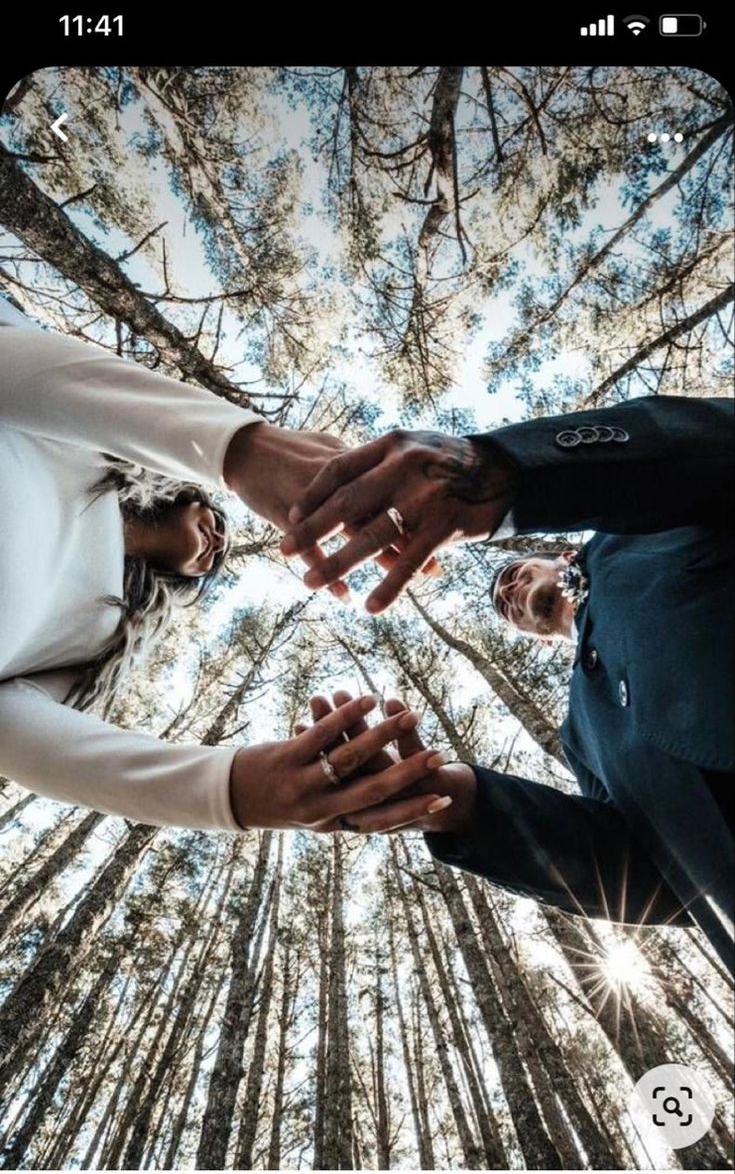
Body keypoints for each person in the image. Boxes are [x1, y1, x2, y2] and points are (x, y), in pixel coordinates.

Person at [283, 395, 735, 971]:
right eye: (504, 604)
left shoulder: (637, 530)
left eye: (517, 573)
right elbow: (649, 876)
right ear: (537, 637)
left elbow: (709, 445)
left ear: (560, 555)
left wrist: (505, 469)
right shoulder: (582, 731)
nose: (509, 592)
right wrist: (463, 809)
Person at [0, 299, 452, 835]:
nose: (217, 536)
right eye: (214, 516)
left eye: (216, 554)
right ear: (181, 490)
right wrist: (238, 448)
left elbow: (10, 732)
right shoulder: (92, 444)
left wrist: (230, 790)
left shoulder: (103, 636)